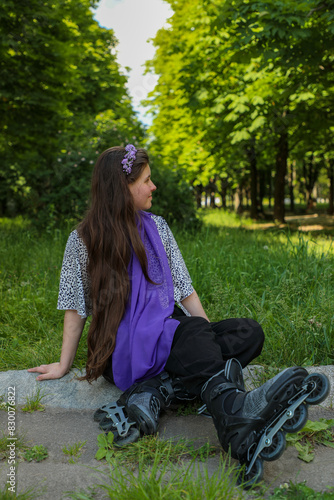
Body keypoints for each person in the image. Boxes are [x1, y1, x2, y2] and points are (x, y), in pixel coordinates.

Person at [28, 145, 310, 479]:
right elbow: (76, 307)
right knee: (193, 335)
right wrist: (63, 364)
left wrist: (203, 339)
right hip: (119, 350)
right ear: (123, 188)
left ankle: (154, 391)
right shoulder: (83, 239)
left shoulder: (157, 227)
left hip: (168, 331)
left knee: (247, 333)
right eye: (146, 180)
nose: (153, 186)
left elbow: (184, 288)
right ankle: (236, 422)